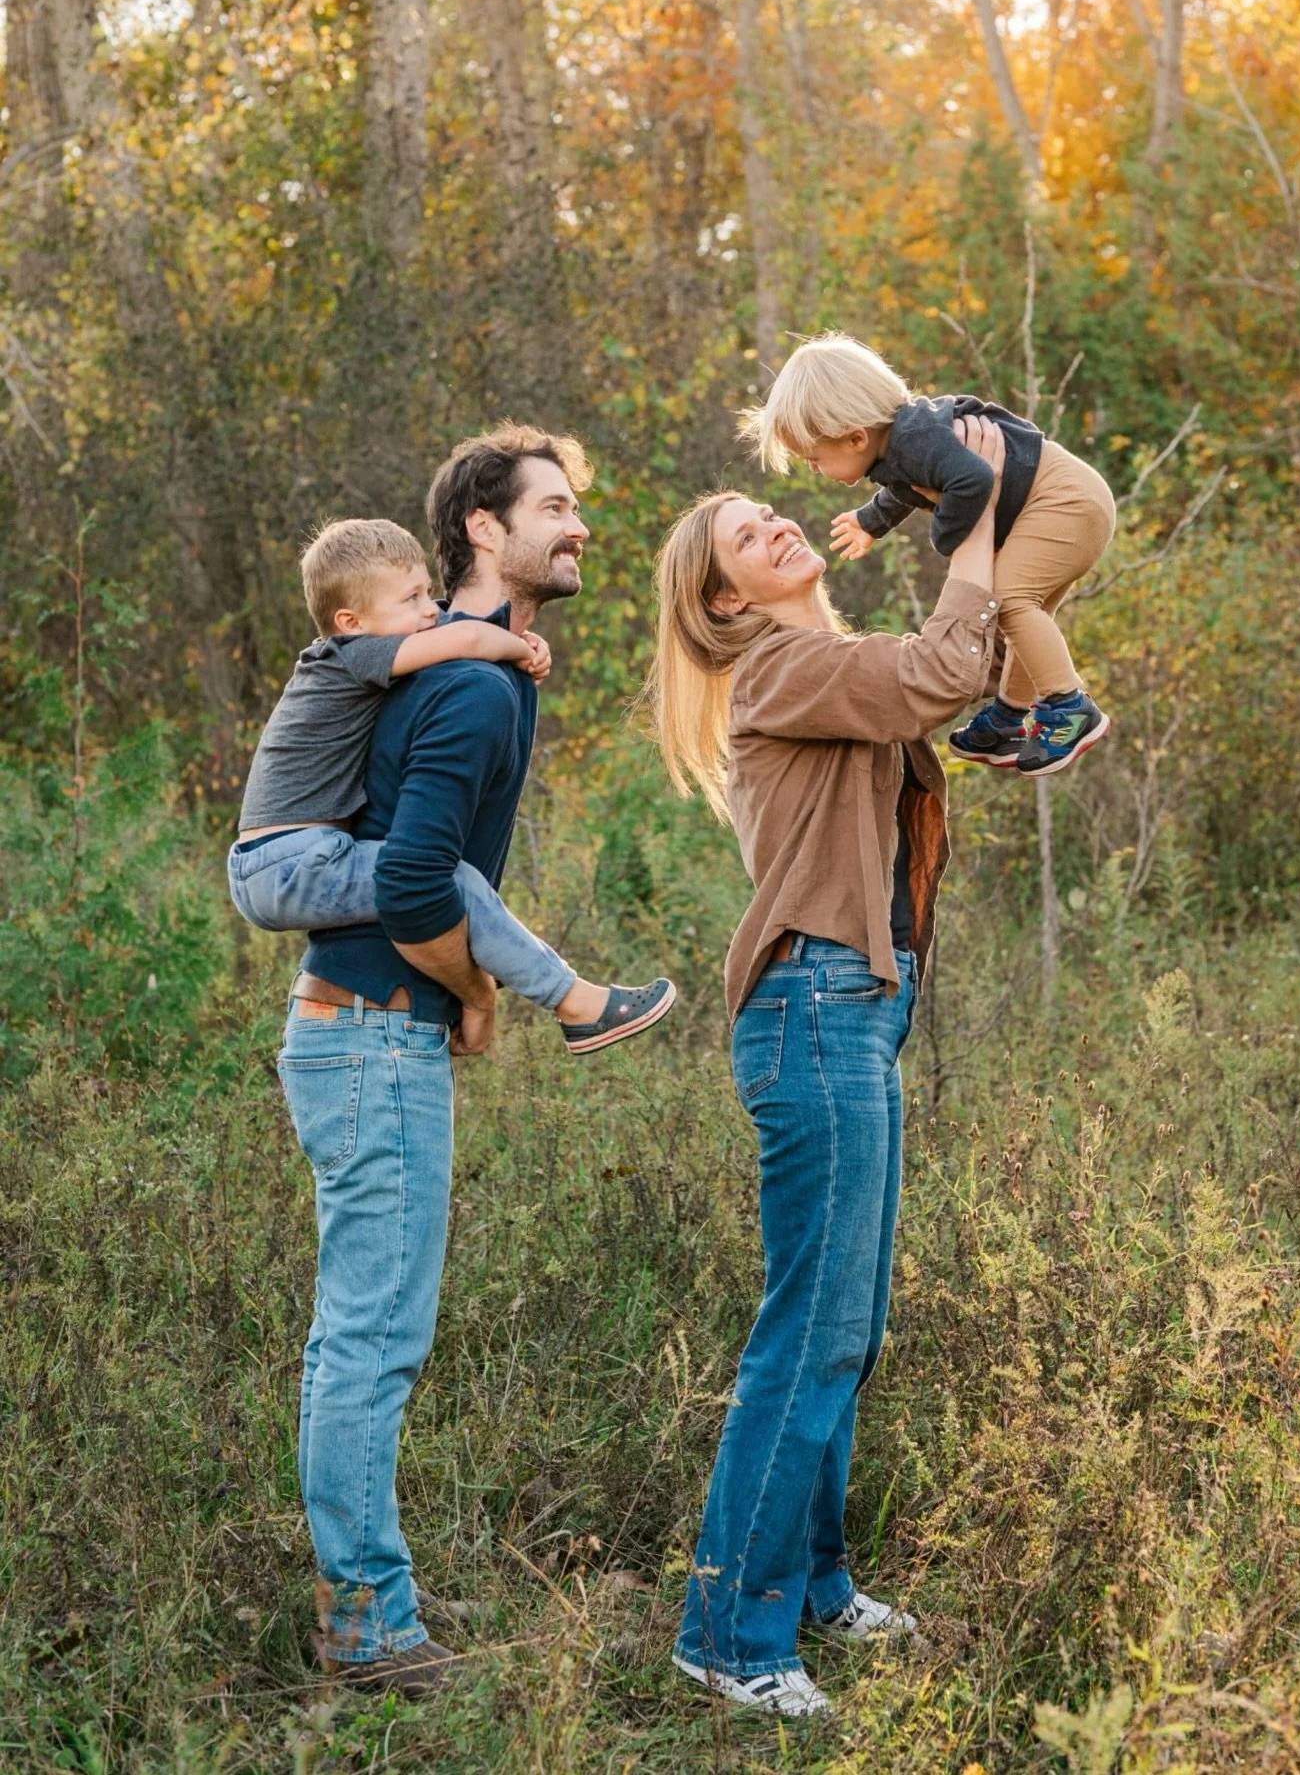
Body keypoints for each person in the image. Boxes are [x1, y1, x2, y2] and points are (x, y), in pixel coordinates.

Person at [274, 427, 676, 1702]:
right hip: (376, 1036)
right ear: (483, 532)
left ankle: (370, 1598)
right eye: (556, 507)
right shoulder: (467, 684)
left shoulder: (469, 672)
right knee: (371, 1339)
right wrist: (477, 993)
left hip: (370, 1031)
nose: (582, 526)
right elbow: (406, 878)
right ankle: (368, 1628)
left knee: (369, 1333)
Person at [645, 415, 1007, 1716]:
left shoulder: (820, 656)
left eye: (768, 511)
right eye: (746, 533)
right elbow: (938, 675)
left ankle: (808, 1586)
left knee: (845, 1329)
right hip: (812, 1008)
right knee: (809, 1332)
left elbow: (928, 688)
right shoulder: (777, 669)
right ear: (724, 598)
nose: (776, 523)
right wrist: (973, 515)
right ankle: (729, 1637)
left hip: (857, 1005)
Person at [228, 516, 675, 1056]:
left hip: (283, 860)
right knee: (447, 879)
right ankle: (574, 1002)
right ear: (350, 620)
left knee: (444, 880)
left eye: (426, 591)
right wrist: (520, 649)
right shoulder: (350, 654)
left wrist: (511, 637)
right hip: (287, 866)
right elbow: (462, 634)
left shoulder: (363, 646)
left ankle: (514, 975)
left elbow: (447, 623)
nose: (427, 609)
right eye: (411, 599)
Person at [738, 330, 1116, 777]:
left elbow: (972, 480)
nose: (815, 469)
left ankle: (1069, 707)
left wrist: (948, 539)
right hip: (1062, 504)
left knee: (1011, 601)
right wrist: (870, 522)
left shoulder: (916, 440)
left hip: (1065, 504)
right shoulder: (902, 442)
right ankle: (1010, 718)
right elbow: (909, 487)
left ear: (855, 438)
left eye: (814, 458)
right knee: (1015, 612)